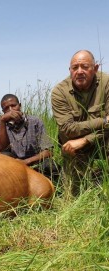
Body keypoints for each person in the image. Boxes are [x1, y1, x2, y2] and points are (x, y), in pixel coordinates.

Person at [51, 50, 109, 196]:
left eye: (85, 66)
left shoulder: (107, 83)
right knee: (72, 195)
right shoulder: (59, 92)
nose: (79, 71)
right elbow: (68, 129)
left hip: (103, 140)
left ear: (95, 68)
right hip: (73, 147)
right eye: (75, 67)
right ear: (70, 70)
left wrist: (85, 140)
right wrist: (103, 121)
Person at [0, 94, 58, 179]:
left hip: (35, 162)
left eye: (14, 106)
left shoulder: (35, 121)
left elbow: (49, 151)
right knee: (1, 160)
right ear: (3, 111)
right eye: (6, 108)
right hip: (14, 163)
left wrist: (26, 162)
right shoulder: (3, 125)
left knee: (50, 166)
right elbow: (2, 149)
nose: (11, 110)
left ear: (20, 106)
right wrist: (3, 121)